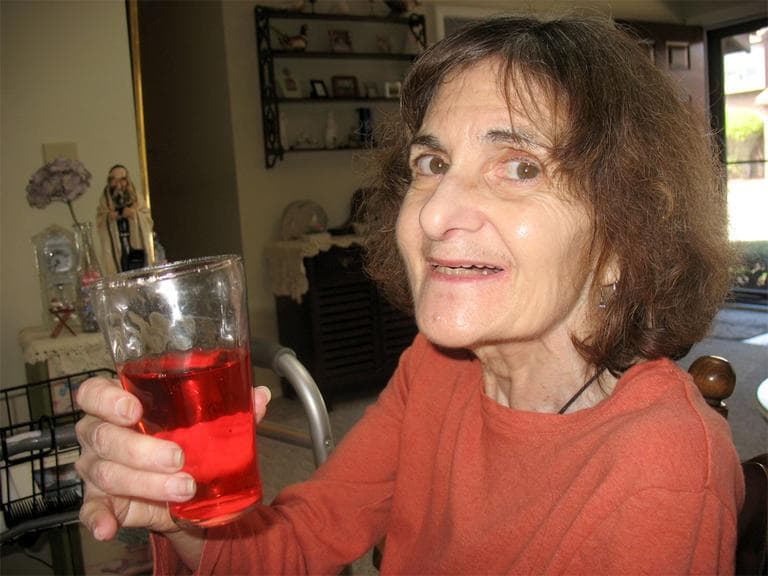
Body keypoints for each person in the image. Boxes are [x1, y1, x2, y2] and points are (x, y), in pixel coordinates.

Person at [75, 14, 744, 574]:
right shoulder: (437, 369)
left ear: (625, 238)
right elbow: (301, 537)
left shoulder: (662, 464)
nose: (432, 213)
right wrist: (180, 507)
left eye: (519, 167)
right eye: (432, 164)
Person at [96, 164, 154, 275]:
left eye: (122, 180)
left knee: (138, 270)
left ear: (127, 180)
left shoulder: (136, 197)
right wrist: (110, 217)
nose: (118, 184)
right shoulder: (105, 200)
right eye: (114, 180)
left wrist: (134, 215)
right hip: (118, 246)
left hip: (136, 246)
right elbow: (101, 219)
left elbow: (147, 218)